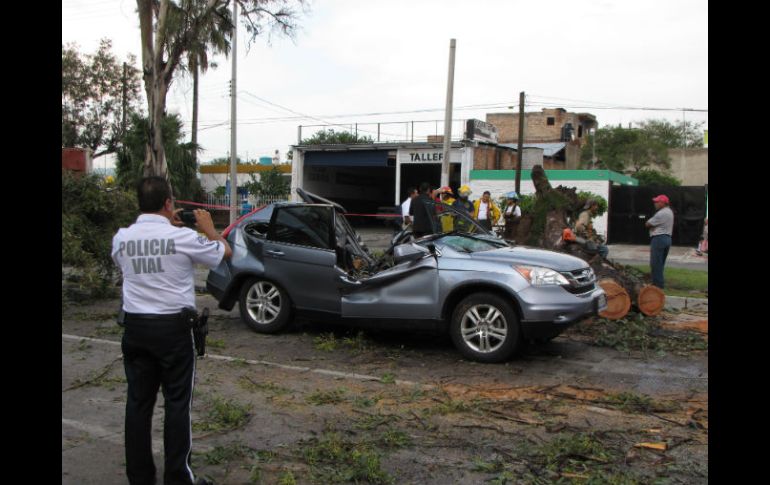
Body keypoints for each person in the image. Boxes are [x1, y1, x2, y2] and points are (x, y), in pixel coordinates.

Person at [112, 176, 233, 485]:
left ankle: (140, 477)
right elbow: (225, 254)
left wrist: (171, 230)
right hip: (172, 331)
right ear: (168, 203)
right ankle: (178, 478)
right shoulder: (184, 238)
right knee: (177, 404)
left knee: (138, 404)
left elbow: (138, 260)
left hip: (136, 329)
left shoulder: (121, 237)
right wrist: (208, 228)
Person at [645, 194, 674, 289]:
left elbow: (648, 224)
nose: (655, 204)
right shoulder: (670, 211)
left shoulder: (661, 213)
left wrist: (652, 225)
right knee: (660, 263)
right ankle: (659, 283)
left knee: (655, 263)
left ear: (662, 203)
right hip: (667, 238)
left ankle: (657, 286)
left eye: (657, 202)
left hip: (659, 238)